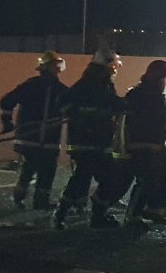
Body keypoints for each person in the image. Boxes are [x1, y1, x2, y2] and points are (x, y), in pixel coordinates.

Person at [115, 59, 166, 225]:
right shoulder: (140, 95)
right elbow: (155, 116)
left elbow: (164, 113)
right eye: (165, 80)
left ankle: (155, 208)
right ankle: (134, 215)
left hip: (154, 144)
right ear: (156, 78)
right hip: (141, 144)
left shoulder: (154, 96)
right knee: (147, 179)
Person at [53, 48, 126, 230]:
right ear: (105, 64)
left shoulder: (102, 84)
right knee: (85, 177)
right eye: (113, 66)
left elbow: (112, 103)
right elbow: (63, 104)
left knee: (106, 177)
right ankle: (63, 214)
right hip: (85, 141)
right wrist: (85, 113)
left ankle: (93, 215)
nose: (115, 69)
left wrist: (124, 105)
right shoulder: (88, 84)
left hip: (99, 141)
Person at [0, 51, 69, 211]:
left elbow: (7, 102)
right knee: (38, 169)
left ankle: (31, 199)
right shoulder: (43, 87)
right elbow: (7, 101)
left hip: (41, 139)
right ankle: (27, 199)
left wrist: (7, 121)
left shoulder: (56, 89)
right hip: (33, 138)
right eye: (54, 66)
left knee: (40, 170)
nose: (57, 69)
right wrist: (6, 121)